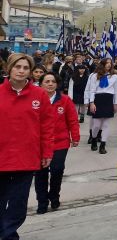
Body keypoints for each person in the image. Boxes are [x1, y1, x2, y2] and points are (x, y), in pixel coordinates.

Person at [0, 53, 54, 240]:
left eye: (25, 67)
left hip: (26, 158)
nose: (21, 71)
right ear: (9, 69)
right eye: (17, 67)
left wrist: (47, 152)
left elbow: (46, 126)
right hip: (2, 157)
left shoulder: (39, 95)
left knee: (18, 204)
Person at [34, 72, 79, 214]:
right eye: (46, 81)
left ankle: (54, 196)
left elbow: (72, 119)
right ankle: (42, 201)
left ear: (57, 84)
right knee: (40, 174)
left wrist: (75, 136)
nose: (50, 84)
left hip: (60, 142)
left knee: (57, 170)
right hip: (39, 144)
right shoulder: (35, 100)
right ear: (40, 84)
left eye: (53, 81)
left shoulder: (65, 100)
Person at [86, 58, 117, 154]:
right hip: (98, 100)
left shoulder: (114, 77)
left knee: (106, 125)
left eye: (110, 63)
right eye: (107, 63)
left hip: (109, 100)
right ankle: (94, 139)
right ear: (102, 64)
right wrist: (91, 103)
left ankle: (103, 145)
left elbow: (116, 91)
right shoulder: (94, 76)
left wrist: (115, 103)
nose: (109, 65)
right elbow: (92, 90)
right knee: (96, 125)